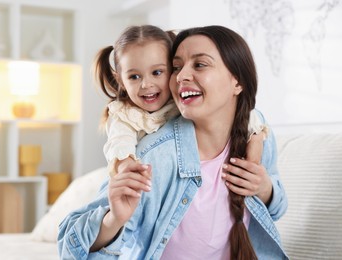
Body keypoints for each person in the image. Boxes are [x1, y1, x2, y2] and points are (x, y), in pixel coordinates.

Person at [58, 25, 288, 259]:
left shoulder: (256, 136)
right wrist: (114, 220)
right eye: (177, 67)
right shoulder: (153, 155)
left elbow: (277, 210)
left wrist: (265, 189)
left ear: (237, 81)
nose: (181, 76)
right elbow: (70, 245)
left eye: (199, 64)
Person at [95, 25, 267, 178]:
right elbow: (119, 142)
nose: (146, 84)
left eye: (157, 72)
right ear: (121, 81)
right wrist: (126, 164)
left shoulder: (183, 103)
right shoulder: (123, 116)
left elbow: (246, 114)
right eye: (134, 76)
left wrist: (256, 140)